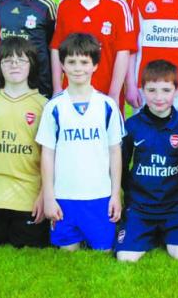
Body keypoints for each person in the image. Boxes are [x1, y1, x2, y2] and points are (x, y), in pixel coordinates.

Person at [37, 33, 125, 251]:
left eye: (84, 62)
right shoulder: (54, 107)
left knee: (104, 250)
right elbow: (47, 153)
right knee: (68, 251)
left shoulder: (107, 106)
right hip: (65, 196)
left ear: (95, 65)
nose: (78, 68)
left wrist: (115, 195)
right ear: (63, 66)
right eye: (72, 62)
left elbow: (115, 152)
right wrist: (49, 196)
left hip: (99, 197)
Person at [0, 37, 49, 247]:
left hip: (28, 192)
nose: (14, 64)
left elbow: (49, 157)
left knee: (28, 243)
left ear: (31, 65)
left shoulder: (43, 105)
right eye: (7, 60)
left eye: (21, 60)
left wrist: (44, 195)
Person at [116, 60, 178, 262]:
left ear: (177, 90)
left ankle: (169, 232)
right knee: (126, 258)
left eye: (166, 90)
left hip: (174, 206)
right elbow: (121, 165)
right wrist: (132, 192)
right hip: (140, 207)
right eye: (152, 90)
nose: (159, 97)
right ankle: (147, 233)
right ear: (142, 89)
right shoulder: (132, 125)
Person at [51, 0, 134, 104]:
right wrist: (56, 87)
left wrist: (114, 94)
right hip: (71, 92)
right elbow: (56, 48)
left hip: (106, 92)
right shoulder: (65, 4)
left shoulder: (118, 6)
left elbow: (123, 52)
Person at [0, 0, 56, 98]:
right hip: (7, 81)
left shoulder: (46, 6)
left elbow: (52, 43)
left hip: (39, 83)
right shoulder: (0, 4)